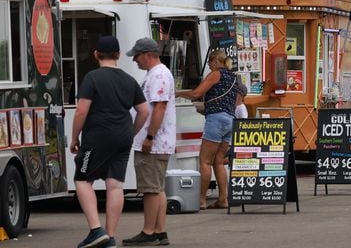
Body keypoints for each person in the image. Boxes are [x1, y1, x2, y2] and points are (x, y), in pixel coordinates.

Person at [71, 36, 148, 248]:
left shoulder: (92, 78)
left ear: (96, 54)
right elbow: (143, 110)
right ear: (118, 55)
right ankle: (110, 236)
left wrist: (75, 137)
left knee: (82, 179)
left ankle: (96, 230)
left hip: (97, 137)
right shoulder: (128, 79)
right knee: (115, 185)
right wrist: (132, 132)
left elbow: (81, 111)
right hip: (123, 136)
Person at [123, 38, 176, 247]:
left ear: (147, 54)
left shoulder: (158, 75)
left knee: (150, 189)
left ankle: (149, 230)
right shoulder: (158, 74)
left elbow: (159, 107)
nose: (135, 60)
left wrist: (149, 137)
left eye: (136, 56)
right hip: (159, 142)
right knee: (157, 187)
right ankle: (160, 230)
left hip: (155, 142)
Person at [177, 49, 240, 210]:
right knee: (219, 162)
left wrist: (177, 93)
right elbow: (230, 102)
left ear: (215, 61)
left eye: (211, 63)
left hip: (216, 120)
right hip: (229, 120)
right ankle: (223, 199)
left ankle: (201, 200)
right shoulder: (234, 78)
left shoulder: (215, 74)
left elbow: (196, 93)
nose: (210, 66)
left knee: (204, 160)